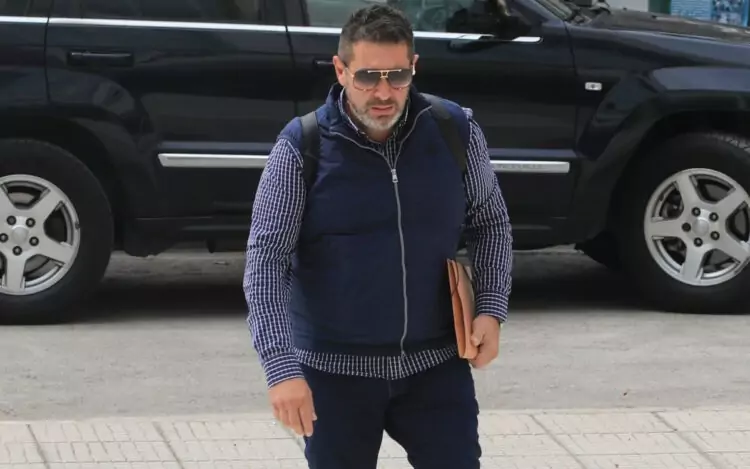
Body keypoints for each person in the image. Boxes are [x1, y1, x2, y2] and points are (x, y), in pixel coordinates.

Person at [243, 5, 513, 468]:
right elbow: (266, 261)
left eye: (397, 76)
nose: (384, 92)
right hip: (334, 373)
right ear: (341, 70)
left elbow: (491, 223)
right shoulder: (302, 146)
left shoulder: (454, 130)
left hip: (436, 367)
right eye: (368, 77)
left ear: (414, 67)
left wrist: (490, 307)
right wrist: (281, 369)